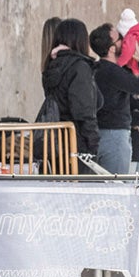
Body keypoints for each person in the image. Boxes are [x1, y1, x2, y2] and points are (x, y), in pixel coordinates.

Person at [88, 23, 139, 175]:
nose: (125, 41)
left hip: (95, 134)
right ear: (112, 49)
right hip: (114, 137)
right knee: (116, 190)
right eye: (121, 38)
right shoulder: (112, 72)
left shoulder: (95, 68)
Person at [40, 18, 99, 166]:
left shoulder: (51, 66)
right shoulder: (79, 67)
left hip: (56, 143)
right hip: (77, 143)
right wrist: (93, 144)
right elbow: (83, 110)